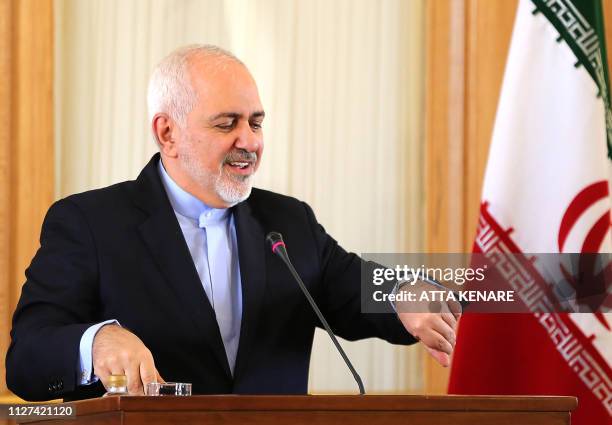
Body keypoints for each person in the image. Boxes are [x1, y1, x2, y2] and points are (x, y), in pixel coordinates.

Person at [6, 45, 460, 401]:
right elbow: (27, 356)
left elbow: (354, 284)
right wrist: (96, 341)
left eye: (256, 123)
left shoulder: (288, 221)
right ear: (168, 133)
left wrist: (403, 292)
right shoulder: (89, 223)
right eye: (227, 124)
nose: (250, 142)